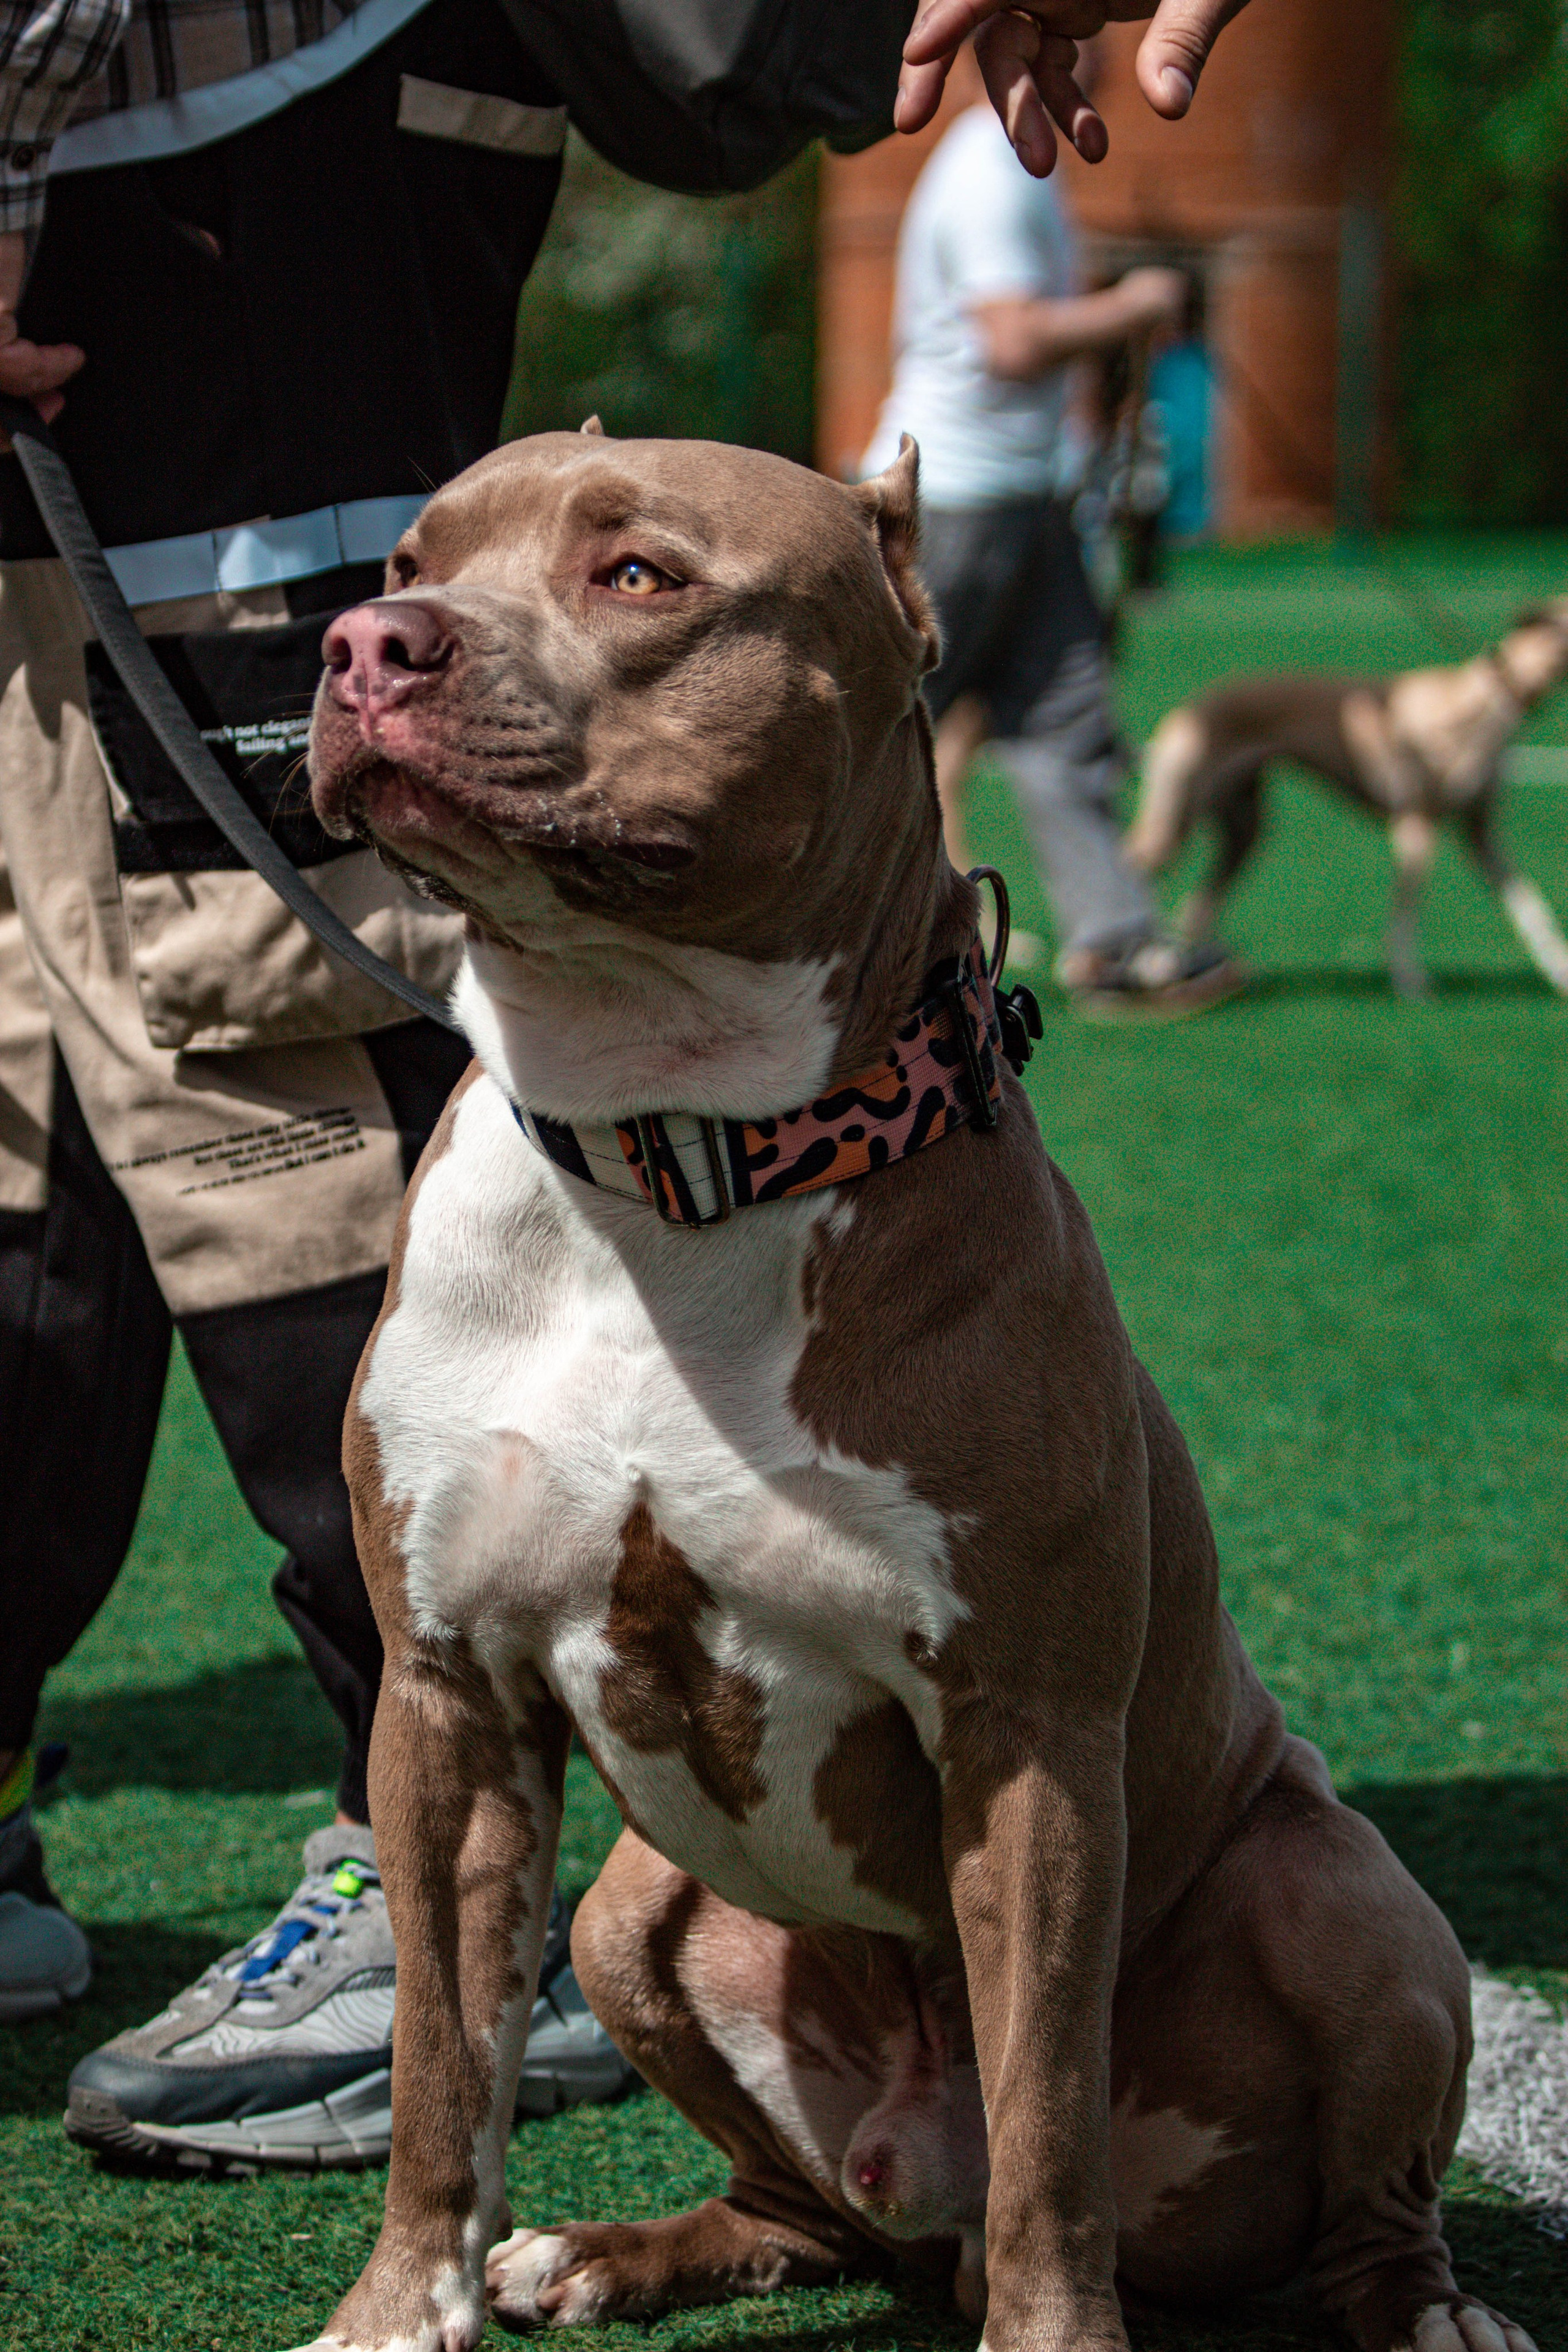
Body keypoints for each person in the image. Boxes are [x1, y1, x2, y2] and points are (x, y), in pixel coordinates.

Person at [0, 0, 1262, 2151]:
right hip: (104, 205)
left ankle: (397, 1868)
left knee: (239, 992)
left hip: (229, 140)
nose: (405, 627)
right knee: (33, 1021)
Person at [862, 59, 1246, 1014]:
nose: (1103, 53)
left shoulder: (1025, 166)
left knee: (1069, 716)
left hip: (1025, 494)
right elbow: (1011, 340)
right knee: (876, 725)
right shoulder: (987, 173)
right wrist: (1141, 304)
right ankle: (825, 947)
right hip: (954, 498)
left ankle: (1113, 945)